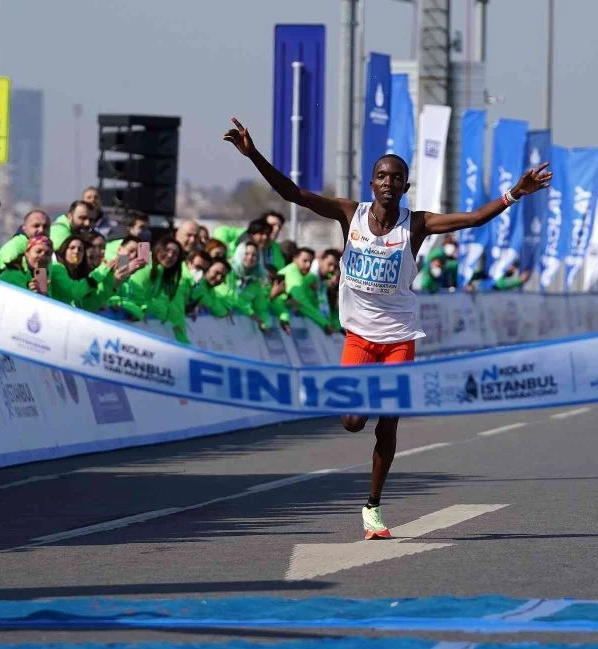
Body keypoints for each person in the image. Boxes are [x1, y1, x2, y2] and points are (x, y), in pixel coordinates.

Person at [225, 116, 551, 539]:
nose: (388, 182)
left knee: (388, 425)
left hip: (399, 339)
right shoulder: (350, 214)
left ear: (405, 186)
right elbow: (293, 193)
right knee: (352, 421)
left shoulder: (416, 224)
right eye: (381, 175)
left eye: (396, 177)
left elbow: (471, 219)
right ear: (371, 182)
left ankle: (373, 507)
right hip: (359, 336)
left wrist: (514, 194)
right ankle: (363, 439)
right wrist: (254, 156)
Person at [280, 246, 336, 334]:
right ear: (295, 259)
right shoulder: (292, 274)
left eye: (310, 261)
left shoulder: (304, 278)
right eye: (304, 261)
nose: (308, 265)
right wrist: (324, 323)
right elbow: (302, 303)